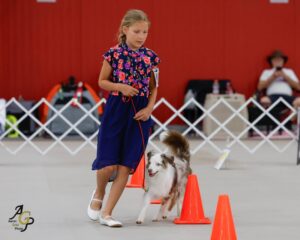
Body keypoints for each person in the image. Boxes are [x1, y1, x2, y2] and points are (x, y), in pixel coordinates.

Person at [87, 9, 160, 227]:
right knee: (108, 166)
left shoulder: (151, 57)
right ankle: (99, 193)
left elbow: (154, 88)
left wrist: (149, 108)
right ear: (125, 30)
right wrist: (120, 87)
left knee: (126, 166)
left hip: (139, 114)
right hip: (116, 109)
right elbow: (102, 81)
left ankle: (107, 214)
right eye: (137, 31)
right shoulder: (113, 54)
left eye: (145, 32)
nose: (141, 36)